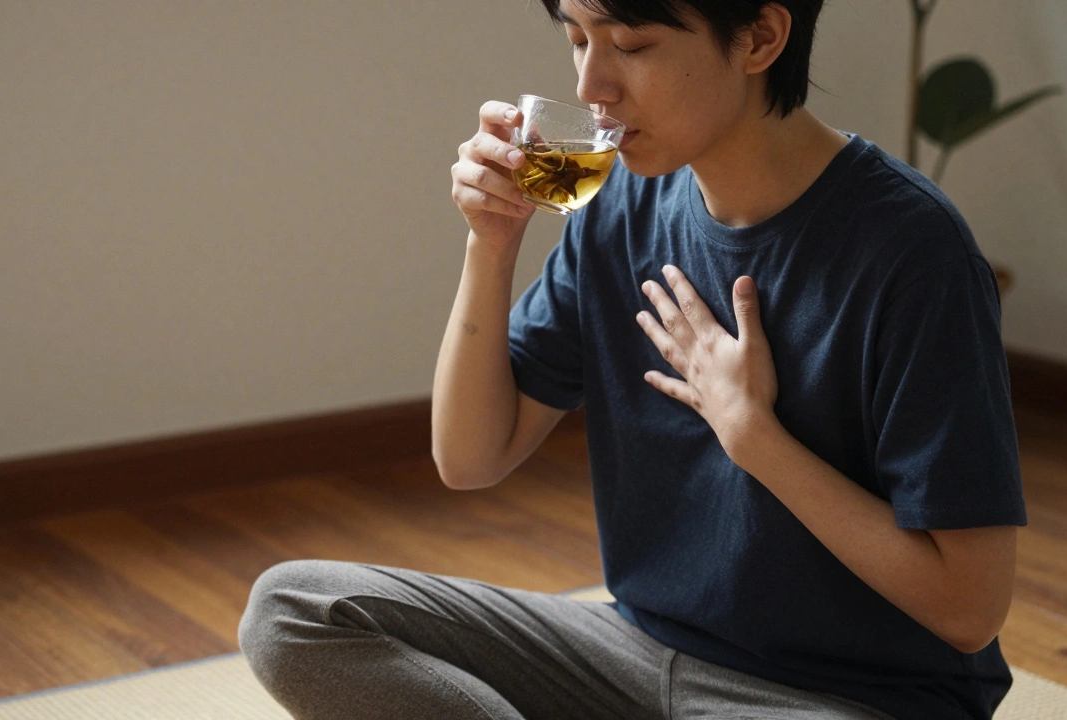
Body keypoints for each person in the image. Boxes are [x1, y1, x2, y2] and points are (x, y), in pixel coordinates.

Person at [237, 0, 1027, 717]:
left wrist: (755, 438)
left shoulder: (913, 252)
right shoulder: (619, 203)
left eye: (632, 45)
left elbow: (969, 610)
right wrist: (491, 244)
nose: (593, 87)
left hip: (841, 696)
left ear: (760, 38)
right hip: (636, 655)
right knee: (295, 611)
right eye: (578, 40)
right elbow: (470, 457)